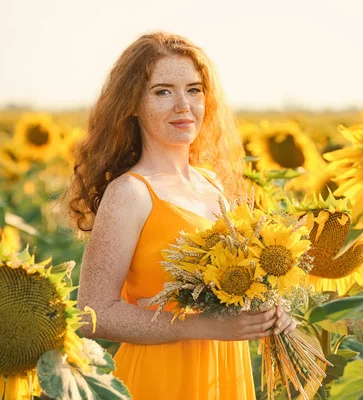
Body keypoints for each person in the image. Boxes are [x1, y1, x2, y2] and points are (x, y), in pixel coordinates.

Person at [67, 32, 297, 400]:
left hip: (225, 375)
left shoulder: (214, 184)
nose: (183, 105)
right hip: (160, 379)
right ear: (132, 105)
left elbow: (232, 290)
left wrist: (268, 312)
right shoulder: (130, 193)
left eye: (194, 89)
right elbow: (94, 314)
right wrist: (207, 326)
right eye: (163, 91)